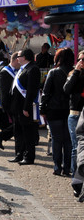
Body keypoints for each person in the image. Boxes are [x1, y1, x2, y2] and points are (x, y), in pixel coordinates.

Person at [41, 48, 74, 176]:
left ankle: (57, 167)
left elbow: (46, 92)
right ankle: (67, 168)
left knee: (56, 139)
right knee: (68, 140)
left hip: (54, 109)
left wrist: (42, 109)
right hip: (70, 109)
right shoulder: (74, 72)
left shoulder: (53, 72)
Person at [11, 48, 41, 165]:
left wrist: (26, 107)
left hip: (25, 107)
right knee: (19, 132)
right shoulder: (23, 69)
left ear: (24, 57)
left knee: (28, 133)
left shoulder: (33, 69)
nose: (17, 58)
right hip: (18, 107)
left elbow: (31, 91)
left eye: (19, 56)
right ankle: (19, 154)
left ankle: (29, 156)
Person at [64, 50, 84, 181]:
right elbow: (66, 89)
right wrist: (76, 72)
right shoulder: (73, 74)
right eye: (80, 59)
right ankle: (75, 179)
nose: (82, 62)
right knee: (76, 147)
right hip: (75, 114)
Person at [0, 51, 20, 150]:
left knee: (17, 125)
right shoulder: (5, 70)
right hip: (10, 103)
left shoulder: (17, 70)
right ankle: (1, 136)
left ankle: (1, 136)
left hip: (16, 102)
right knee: (17, 124)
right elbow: (3, 87)